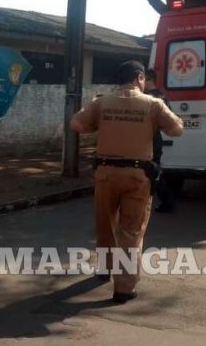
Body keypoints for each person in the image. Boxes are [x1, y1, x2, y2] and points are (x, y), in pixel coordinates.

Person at [70, 61, 183, 304]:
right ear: (139, 78)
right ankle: (123, 289)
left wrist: (102, 125)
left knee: (105, 224)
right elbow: (176, 130)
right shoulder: (153, 104)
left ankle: (104, 268)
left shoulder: (101, 102)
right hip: (137, 176)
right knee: (131, 231)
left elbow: (76, 124)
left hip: (105, 174)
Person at [144, 69, 177, 213]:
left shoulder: (147, 98)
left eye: (143, 79)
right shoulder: (162, 96)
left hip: (148, 138)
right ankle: (165, 201)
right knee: (153, 170)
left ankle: (166, 201)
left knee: (151, 171)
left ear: (149, 79)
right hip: (156, 137)